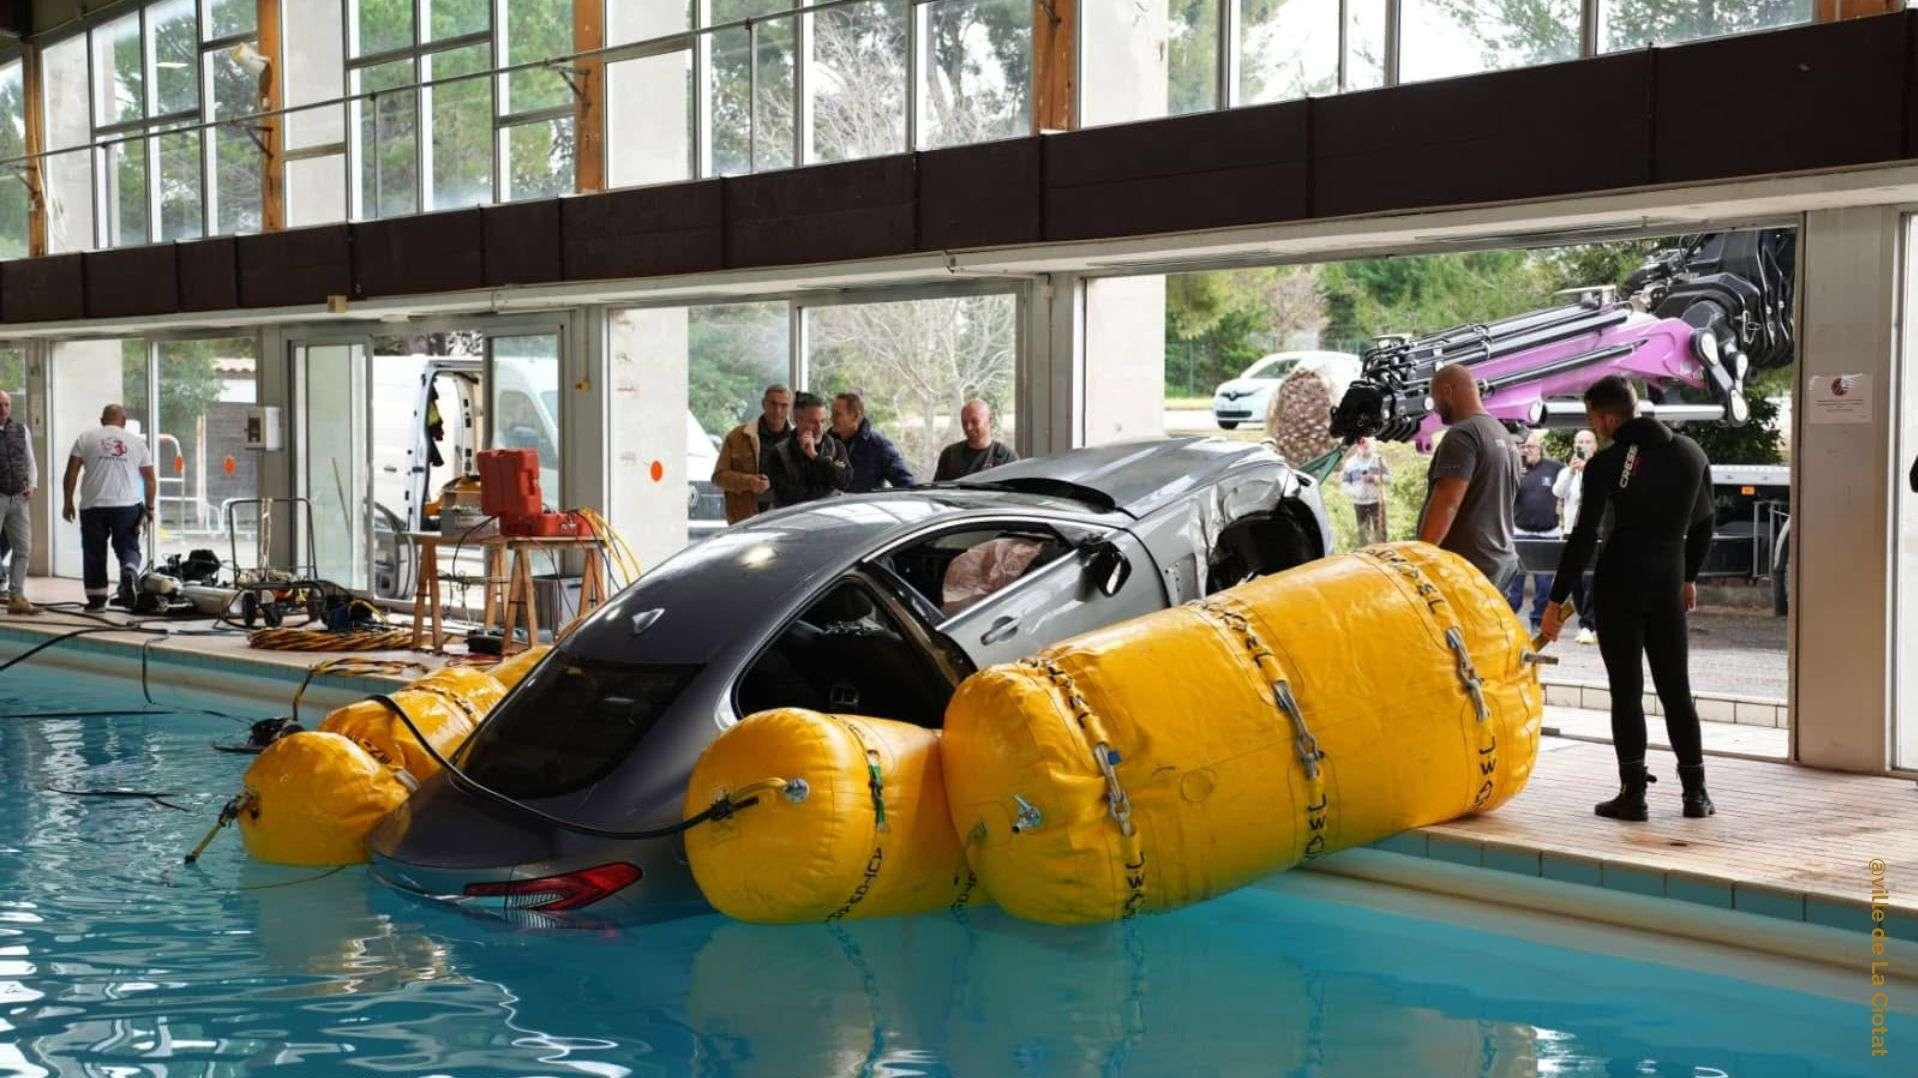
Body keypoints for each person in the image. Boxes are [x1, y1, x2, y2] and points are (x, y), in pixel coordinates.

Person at [1540, 376, 1717, 823]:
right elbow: (1703, 525)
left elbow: (1583, 538)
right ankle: (1696, 794)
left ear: (1607, 417)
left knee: (1627, 691)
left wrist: (1556, 599)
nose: (1592, 426)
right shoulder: (1690, 453)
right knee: (1677, 690)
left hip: (1620, 583)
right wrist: (1689, 576)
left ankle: (1633, 794)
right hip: (1668, 582)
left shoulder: (1607, 463)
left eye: (1591, 418)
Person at [1415, 365, 1520, 589]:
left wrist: (1419, 558)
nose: (1436, 409)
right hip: (1499, 562)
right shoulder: (1503, 435)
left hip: (1467, 569)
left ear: (1447, 391)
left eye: (1435, 400)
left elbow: (1448, 501)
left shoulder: (1463, 434)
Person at [63, 403, 156, 612]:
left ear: (102, 420)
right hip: (127, 505)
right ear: (124, 421)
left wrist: (67, 501)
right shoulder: (137, 442)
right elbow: (149, 478)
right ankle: (129, 570)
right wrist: (150, 508)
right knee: (128, 547)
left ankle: (96, 601)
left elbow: (71, 473)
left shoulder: (85, 438)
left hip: (93, 505)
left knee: (94, 551)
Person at [1505, 430, 1565, 633]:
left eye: (1531, 447)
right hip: (1519, 533)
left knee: (1544, 584)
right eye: (1523, 447)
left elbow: (1569, 488)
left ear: (1539, 448)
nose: (1527, 450)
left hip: (1547, 534)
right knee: (1515, 582)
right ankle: (1508, 620)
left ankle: (1537, 621)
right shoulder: (1514, 468)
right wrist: (1515, 475)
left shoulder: (1555, 468)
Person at [713, 385, 794, 525]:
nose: (778, 410)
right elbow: (718, 477)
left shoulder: (799, 440)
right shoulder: (738, 436)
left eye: (784, 405)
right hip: (745, 520)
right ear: (763, 404)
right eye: (773, 404)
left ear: (790, 408)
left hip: (788, 519)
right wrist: (749, 481)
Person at [1553, 429, 1602, 645]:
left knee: (1590, 578)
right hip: (1570, 530)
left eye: (1587, 441)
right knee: (1574, 579)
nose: (1582, 445)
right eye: (1579, 441)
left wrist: (1588, 472)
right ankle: (1587, 620)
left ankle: (1587, 624)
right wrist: (1573, 472)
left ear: (1595, 446)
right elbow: (1558, 492)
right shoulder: (1567, 471)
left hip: (1592, 531)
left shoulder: (1600, 468)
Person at [768, 393, 851, 508]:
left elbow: (844, 481)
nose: (819, 428)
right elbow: (788, 496)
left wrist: (815, 456)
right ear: (797, 420)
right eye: (813, 422)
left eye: (822, 421)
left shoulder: (835, 446)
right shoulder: (779, 453)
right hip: (793, 520)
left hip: (831, 519)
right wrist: (829, 488)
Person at [0, 391, 40, 616]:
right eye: (0, 404)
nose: (3, 408)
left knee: (23, 548)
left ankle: (16, 596)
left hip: (19, 498)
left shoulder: (21, 430)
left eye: (6, 404)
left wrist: (32, 485)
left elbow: (30, 460)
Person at [830, 392, 916, 493]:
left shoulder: (878, 445)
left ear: (856, 416)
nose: (831, 418)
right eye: (832, 414)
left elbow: (907, 484)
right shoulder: (827, 442)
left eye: (837, 414)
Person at [934, 399, 1018, 481]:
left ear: (990, 420)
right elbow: (938, 491)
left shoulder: (1006, 458)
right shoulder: (950, 455)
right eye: (964, 422)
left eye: (974, 422)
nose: (968, 427)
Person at [1339, 436, 1391, 546]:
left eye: (1367, 443)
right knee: (1363, 533)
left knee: (1381, 532)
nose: (1364, 446)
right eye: (1361, 443)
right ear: (1358, 445)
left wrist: (1375, 478)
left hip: (1377, 501)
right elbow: (1344, 483)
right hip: (1359, 503)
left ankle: (1383, 552)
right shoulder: (1350, 463)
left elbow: (1389, 478)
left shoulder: (1379, 460)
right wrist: (1354, 492)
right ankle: (1365, 555)